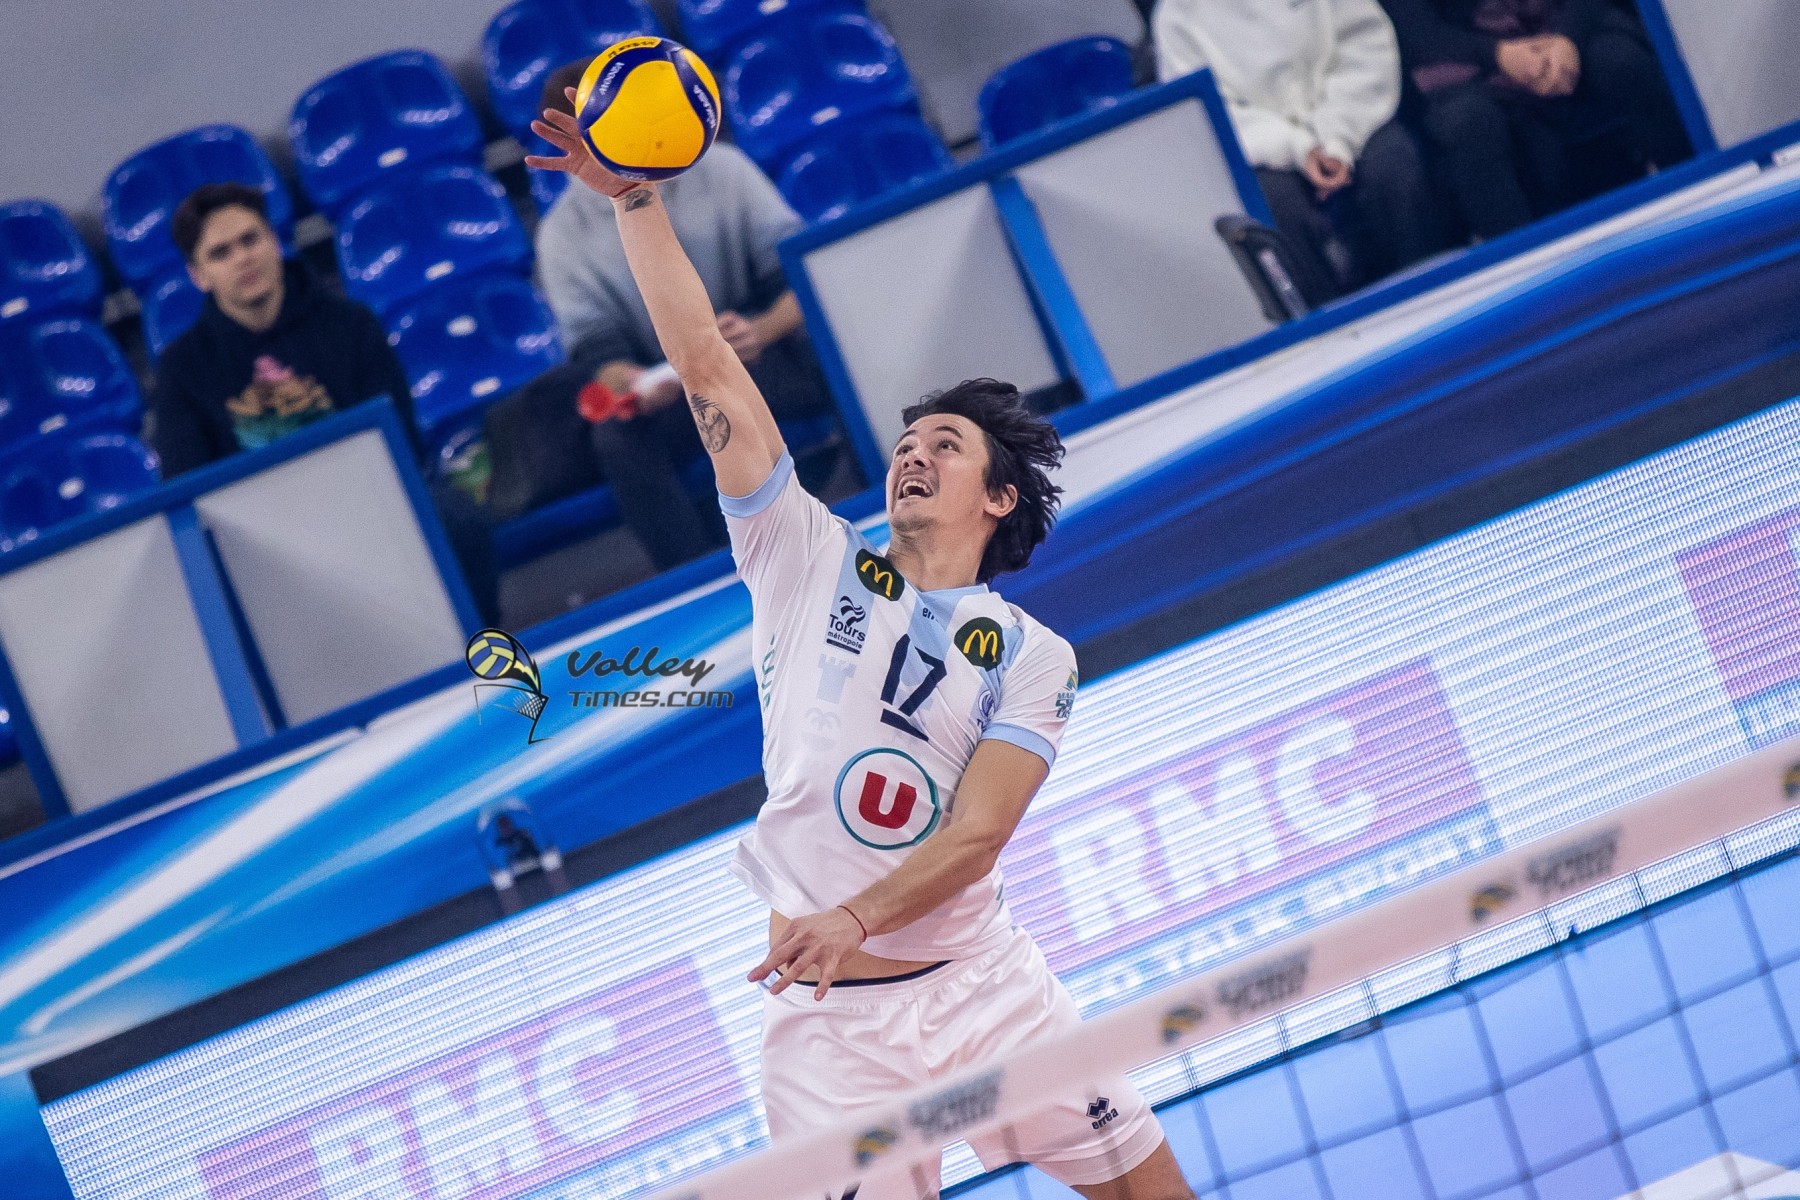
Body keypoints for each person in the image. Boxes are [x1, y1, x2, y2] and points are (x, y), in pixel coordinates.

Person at [528, 89, 1196, 1200]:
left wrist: (853, 918)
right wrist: (636, 202)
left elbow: (980, 834)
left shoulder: (1033, 655)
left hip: (989, 994)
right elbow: (706, 369)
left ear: (1000, 498)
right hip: (830, 1036)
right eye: (907, 441)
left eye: (946, 444)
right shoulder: (802, 555)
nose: (913, 455)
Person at [532, 61, 840, 573]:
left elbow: (801, 277)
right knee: (616, 439)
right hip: (668, 394)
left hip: (761, 355)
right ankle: (696, 577)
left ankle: (888, 494)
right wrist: (635, 383)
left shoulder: (724, 168)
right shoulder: (560, 234)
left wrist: (761, 329)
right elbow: (598, 351)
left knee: (834, 342)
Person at [146, 182, 499, 622]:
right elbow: (189, 487)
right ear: (199, 275)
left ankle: (483, 650)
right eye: (220, 253)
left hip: (371, 505)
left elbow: (401, 442)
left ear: (274, 241)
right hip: (260, 540)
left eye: (250, 240)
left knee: (455, 518)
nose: (242, 258)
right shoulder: (181, 369)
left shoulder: (351, 324)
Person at [1155, 0, 1448, 298]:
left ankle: (1435, 295)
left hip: (1352, 120)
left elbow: (1366, 50)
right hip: (1264, 152)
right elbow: (1210, 111)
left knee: (1393, 164)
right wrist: (1298, 149)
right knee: (1275, 204)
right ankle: (1326, 320)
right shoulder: (1175, 15)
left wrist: (1336, 140)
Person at [1377, 0, 1694, 239]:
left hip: (1568, 28)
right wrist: (1500, 55)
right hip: (1468, 61)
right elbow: (1416, 31)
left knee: (1622, 62)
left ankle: (1694, 203)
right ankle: (1519, 270)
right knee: (1467, 123)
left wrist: (1567, 38)